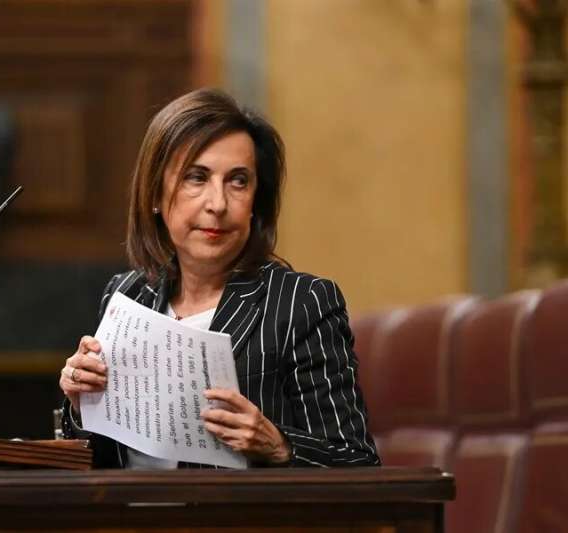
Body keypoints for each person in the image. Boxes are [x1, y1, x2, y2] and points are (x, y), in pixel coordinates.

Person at [59, 88, 380, 468]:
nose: (218, 204)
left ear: (256, 204)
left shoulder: (301, 303)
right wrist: (81, 404)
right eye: (197, 177)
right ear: (155, 196)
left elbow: (357, 462)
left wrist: (278, 445)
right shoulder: (127, 295)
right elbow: (101, 458)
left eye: (238, 181)